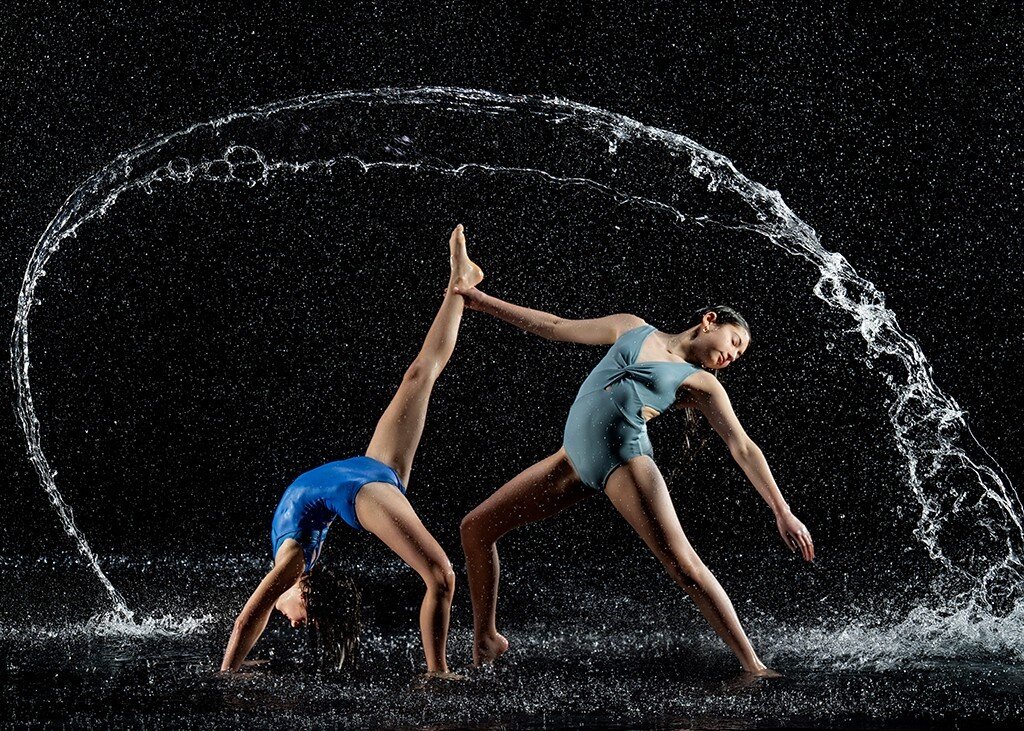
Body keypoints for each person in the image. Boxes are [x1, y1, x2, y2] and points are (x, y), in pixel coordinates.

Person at [455, 285, 814, 678]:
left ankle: (753, 664)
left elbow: (743, 447)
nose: (732, 356)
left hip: (627, 465)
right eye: (734, 341)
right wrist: (482, 302)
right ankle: (487, 636)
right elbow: (556, 326)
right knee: (475, 528)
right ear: (709, 321)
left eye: (738, 355)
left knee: (685, 566)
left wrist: (783, 511)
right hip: (570, 461)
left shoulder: (703, 384)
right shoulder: (631, 327)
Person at [220, 224, 482, 678]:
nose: (299, 624)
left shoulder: (293, 564)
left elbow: (249, 617)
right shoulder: (299, 561)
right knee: (420, 377)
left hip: (365, 479)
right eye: (310, 623)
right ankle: (438, 673)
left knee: (419, 374)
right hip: (367, 478)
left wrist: (227, 674)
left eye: (305, 621)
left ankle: (460, 283)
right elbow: (256, 615)